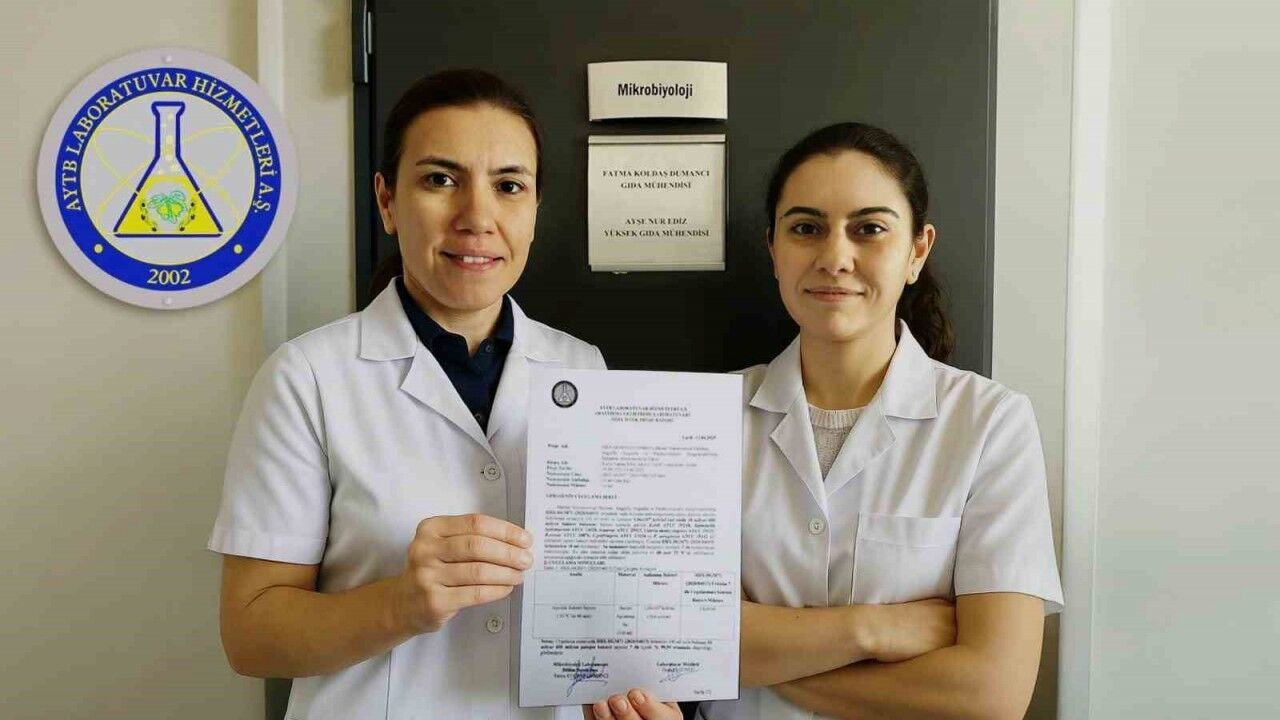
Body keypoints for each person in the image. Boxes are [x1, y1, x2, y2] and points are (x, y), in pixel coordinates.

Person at [208, 69, 679, 720]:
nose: (477, 218)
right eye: (440, 180)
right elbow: (251, 635)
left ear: (534, 210)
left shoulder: (583, 368)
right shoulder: (307, 377)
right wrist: (400, 603)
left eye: (508, 186)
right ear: (387, 201)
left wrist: (628, 691)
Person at [698, 123, 1064, 720]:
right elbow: (671, 637)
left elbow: (992, 693)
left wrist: (757, 656)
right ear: (773, 250)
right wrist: (874, 630)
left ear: (917, 251)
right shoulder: (702, 417)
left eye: (868, 229)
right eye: (806, 228)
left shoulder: (989, 424)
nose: (834, 258)